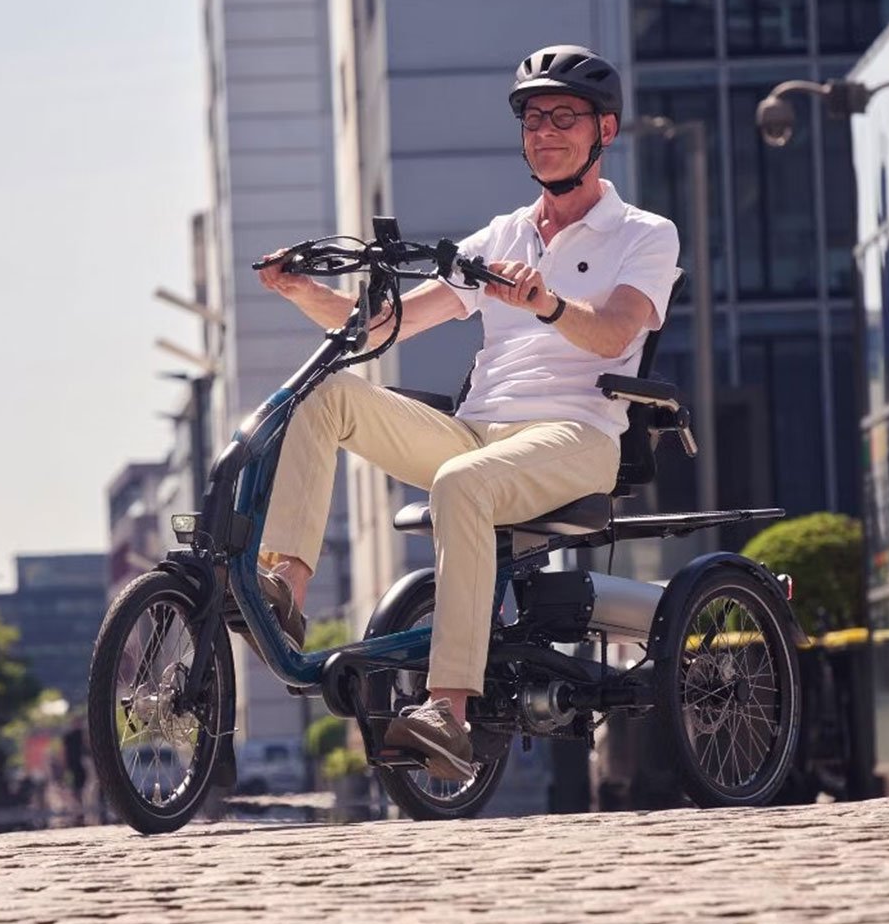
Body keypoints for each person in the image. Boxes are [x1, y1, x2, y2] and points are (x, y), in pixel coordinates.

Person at [256, 44, 679, 781]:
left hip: (577, 433)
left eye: (564, 118)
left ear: (603, 130)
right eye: (533, 119)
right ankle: (284, 587)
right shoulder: (498, 238)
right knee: (327, 396)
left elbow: (615, 332)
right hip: (479, 428)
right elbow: (382, 327)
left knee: (461, 483)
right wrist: (299, 291)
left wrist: (543, 302)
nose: (545, 132)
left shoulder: (643, 233)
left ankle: (446, 713)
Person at [61, 717, 88, 813]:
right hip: (73, 763)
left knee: (82, 784)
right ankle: (78, 808)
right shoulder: (69, 736)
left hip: (81, 763)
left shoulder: (81, 734)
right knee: (76, 785)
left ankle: (80, 807)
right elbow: (64, 751)